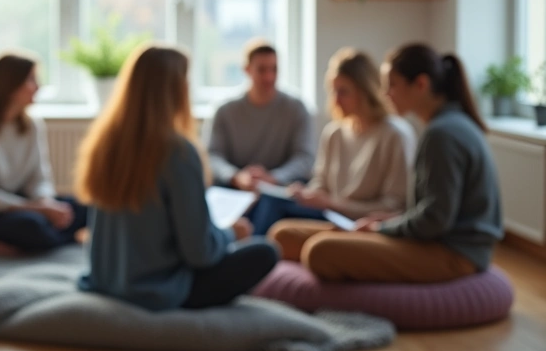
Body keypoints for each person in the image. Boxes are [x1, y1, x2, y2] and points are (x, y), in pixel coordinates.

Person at [270, 43, 503, 282]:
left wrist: (382, 229)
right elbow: (429, 212)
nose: (385, 93)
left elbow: (435, 221)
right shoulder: (444, 127)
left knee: (319, 251)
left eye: (392, 85)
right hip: (428, 239)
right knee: (283, 235)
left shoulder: (442, 134)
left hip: (454, 253)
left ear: (421, 85)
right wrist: (383, 224)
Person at [76, 45, 278, 311]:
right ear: (175, 90)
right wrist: (231, 234)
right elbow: (199, 254)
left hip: (106, 283)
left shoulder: (106, 144)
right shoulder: (177, 151)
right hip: (157, 290)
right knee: (265, 252)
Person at [246, 48, 417, 235]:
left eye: (343, 92)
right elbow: (321, 183)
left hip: (363, 223)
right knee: (271, 202)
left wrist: (331, 203)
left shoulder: (395, 135)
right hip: (330, 215)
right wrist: (307, 194)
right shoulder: (334, 132)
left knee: (282, 228)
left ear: (365, 91)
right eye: (333, 91)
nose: (335, 100)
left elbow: (394, 207)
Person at [0, 54, 89, 253]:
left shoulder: (32, 126)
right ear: (10, 85)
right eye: (31, 80)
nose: (38, 87)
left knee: (83, 207)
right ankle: (59, 240)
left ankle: (28, 245)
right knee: (32, 226)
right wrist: (39, 210)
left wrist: (46, 203)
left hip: (20, 201)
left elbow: (39, 177)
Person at [208, 41, 316, 189]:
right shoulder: (225, 111)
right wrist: (236, 176)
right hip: (236, 186)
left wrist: (274, 178)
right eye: (262, 70)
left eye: (274, 69)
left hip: (279, 187)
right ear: (247, 70)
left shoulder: (296, 108)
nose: (269, 77)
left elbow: (304, 157)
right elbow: (213, 156)